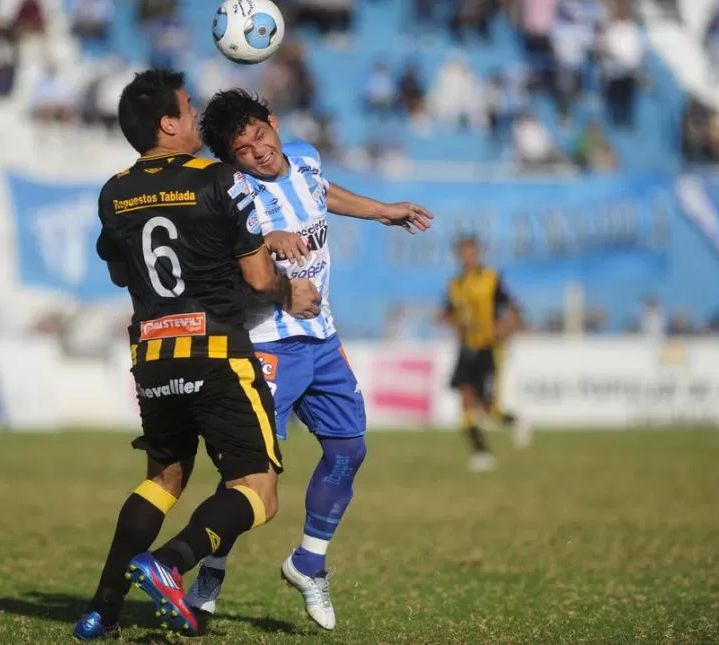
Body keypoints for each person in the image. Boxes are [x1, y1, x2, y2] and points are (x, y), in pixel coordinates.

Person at [73, 69, 322, 640]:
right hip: (215, 353)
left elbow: (119, 272)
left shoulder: (114, 191)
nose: (194, 119)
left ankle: (101, 612)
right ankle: (171, 564)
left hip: (153, 354)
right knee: (258, 487)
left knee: (163, 478)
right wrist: (291, 292)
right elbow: (260, 279)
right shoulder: (219, 178)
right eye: (187, 110)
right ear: (167, 124)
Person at [187, 89, 433, 631]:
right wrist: (263, 237)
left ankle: (308, 562)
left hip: (321, 337)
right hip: (267, 345)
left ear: (272, 123)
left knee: (349, 447)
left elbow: (321, 194)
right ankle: (211, 570)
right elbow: (219, 252)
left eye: (259, 135)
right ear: (232, 160)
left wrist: (381, 212)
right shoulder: (230, 191)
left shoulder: (304, 156)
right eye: (243, 149)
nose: (258, 151)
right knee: (249, 477)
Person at [438, 236, 531, 472]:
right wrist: (447, 319)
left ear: (478, 254)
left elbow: (512, 306)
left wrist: (506, 327)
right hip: (466, 348)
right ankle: (481, 452)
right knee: (465, 399)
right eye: (463, 252)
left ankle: (515, 421)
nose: (468, 257)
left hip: (488, 348)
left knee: (489, 408)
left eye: (472, 252)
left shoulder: (491, 279)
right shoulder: (455, 285)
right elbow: (448, 313)